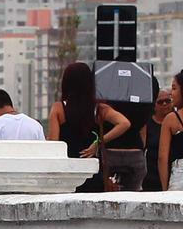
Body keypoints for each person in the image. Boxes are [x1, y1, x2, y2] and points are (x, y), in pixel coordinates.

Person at [47, 62, 132, 193]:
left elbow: (53, 142)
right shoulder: (99, 109)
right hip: (93, 171)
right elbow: (124, 123)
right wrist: (98, 142)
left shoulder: (59, 109)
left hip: (68, 172)